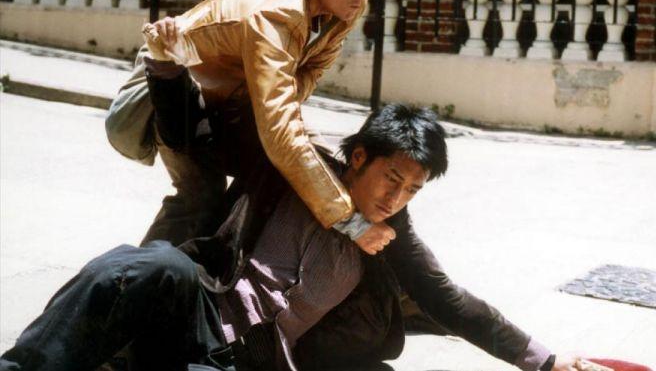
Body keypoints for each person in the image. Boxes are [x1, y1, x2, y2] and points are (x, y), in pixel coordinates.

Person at [1, 105, 582, 371]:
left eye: (412, 190)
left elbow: (451, 301)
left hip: (254, 362)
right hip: (200, 309)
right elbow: (205, 134)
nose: (397, 198)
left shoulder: (392, 235)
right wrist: (169, 69)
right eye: (392, 178)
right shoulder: (294, 168)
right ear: (359, 157)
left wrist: (545, 361)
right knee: (145, 265)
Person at [129, 0, 396, 255]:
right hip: (177, 88)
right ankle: (131, 280)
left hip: (237, 102)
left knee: (314, 166)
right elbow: (281, 134)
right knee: (201, 197)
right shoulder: (275, 12)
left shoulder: (340, 7)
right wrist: (352, 223)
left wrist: (273, 104)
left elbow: (311, 72)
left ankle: (216, 270)